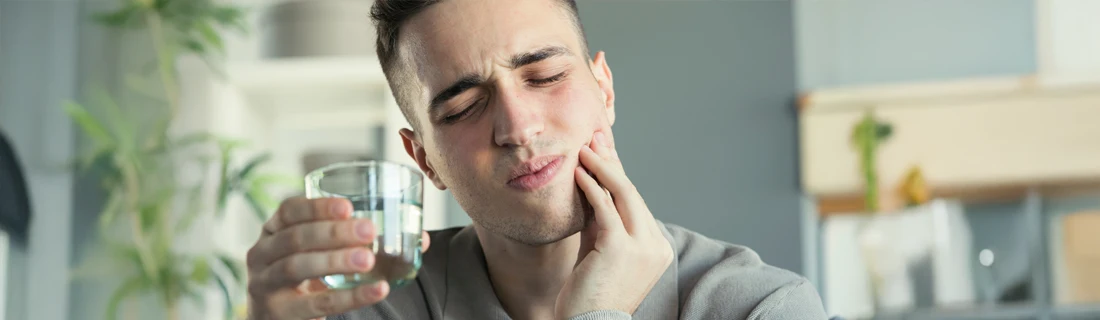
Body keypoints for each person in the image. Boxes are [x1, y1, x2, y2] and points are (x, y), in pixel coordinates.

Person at [244, 0, 829, 319]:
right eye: (464, 107)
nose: (518, 128)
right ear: (425, 160)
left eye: (545, 75)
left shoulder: (758, 308)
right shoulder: (367, 308)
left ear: (605, 89)